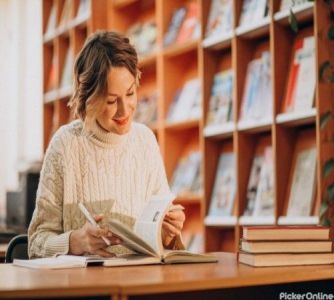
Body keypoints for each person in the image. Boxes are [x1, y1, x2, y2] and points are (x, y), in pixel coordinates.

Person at [28, 31, 185, 258]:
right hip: (87, 288)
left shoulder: (145, 141)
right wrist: (75, 241)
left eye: (130, 93)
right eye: (111, 100)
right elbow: (35, 243)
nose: (125, 110)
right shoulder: (64, 146)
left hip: (140, 283)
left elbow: (156, 237)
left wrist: (168, 232)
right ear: (89, 98)